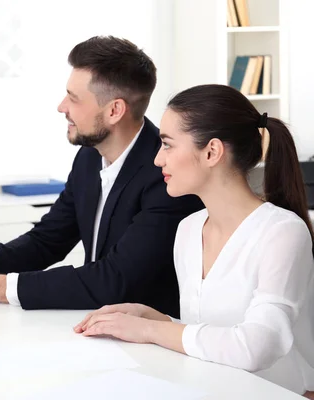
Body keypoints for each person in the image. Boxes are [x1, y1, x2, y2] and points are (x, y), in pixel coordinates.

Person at [75, 84, 314, 397]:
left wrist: (152, 330)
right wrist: (153, 316)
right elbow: (208, 330)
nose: (158, 159)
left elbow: (257, 347)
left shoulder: (281, 232)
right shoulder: (188, 229)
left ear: (211, 152)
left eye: (168, 145)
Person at [0, 36, 203, 313]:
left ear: (114, 110)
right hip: (98, 326)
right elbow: (48, 240)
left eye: (73, 98)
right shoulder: (88, 157)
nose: (62, 107)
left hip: (148, 342)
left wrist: (2, 287)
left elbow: (115, 280)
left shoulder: (166, 173)